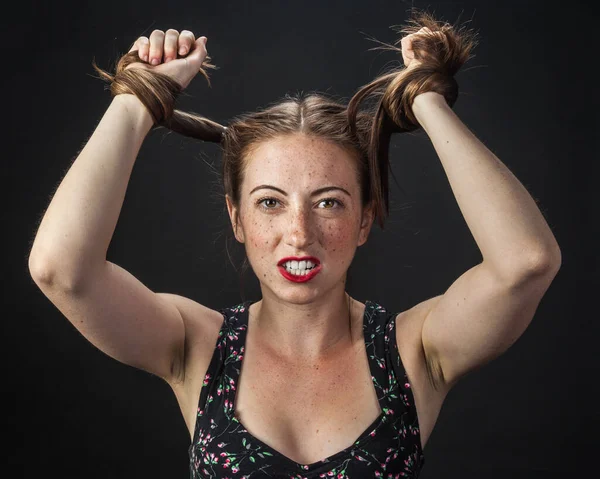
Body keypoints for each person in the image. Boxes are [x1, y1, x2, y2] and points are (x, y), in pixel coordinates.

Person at [27, 9, 561, 479]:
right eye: (269, 202)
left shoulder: (415, 351)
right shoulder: (195, 346)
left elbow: (526, 263)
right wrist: (138, 98)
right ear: (237, 218)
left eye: (328, 202)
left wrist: (426, 101)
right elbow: (61, 269)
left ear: (364, 218)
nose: (299, 234)